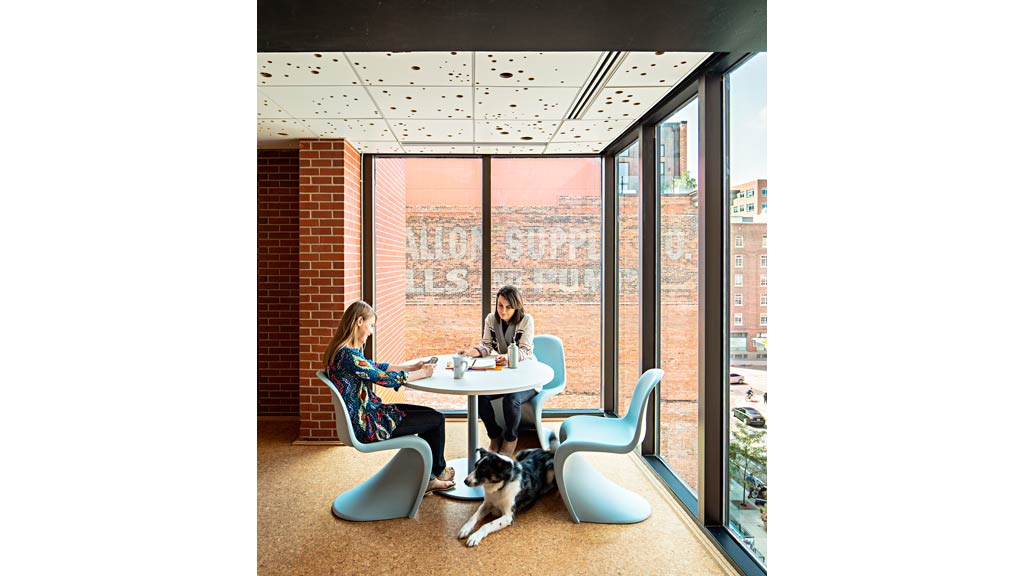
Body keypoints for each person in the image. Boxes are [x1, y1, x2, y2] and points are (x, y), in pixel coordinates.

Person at [323, 300, 455, 494]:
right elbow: (384, 379)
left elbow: (374, 367)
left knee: (432, 415)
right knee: (436, 420)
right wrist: (423, 373)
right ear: (359, 321)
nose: (371, 332)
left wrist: (412, 367)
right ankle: (435, 474)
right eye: (371, 325)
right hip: (368, 425)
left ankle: (431, 475)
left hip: (370, 414)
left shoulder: (343, 353)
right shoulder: (348, 357)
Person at [456, 285, 536, 457]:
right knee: (479, 397)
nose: (503, 310)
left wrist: (508, 357)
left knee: (511, 399)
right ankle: (494, 435)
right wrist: (470, 352)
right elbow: (486, 346)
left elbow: (525, 350)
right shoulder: (491, 319)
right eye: (500, 305)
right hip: (505, 377)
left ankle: (510, 439)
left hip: (528, 377)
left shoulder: (526, 320)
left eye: (508, 307)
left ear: (516, 306)